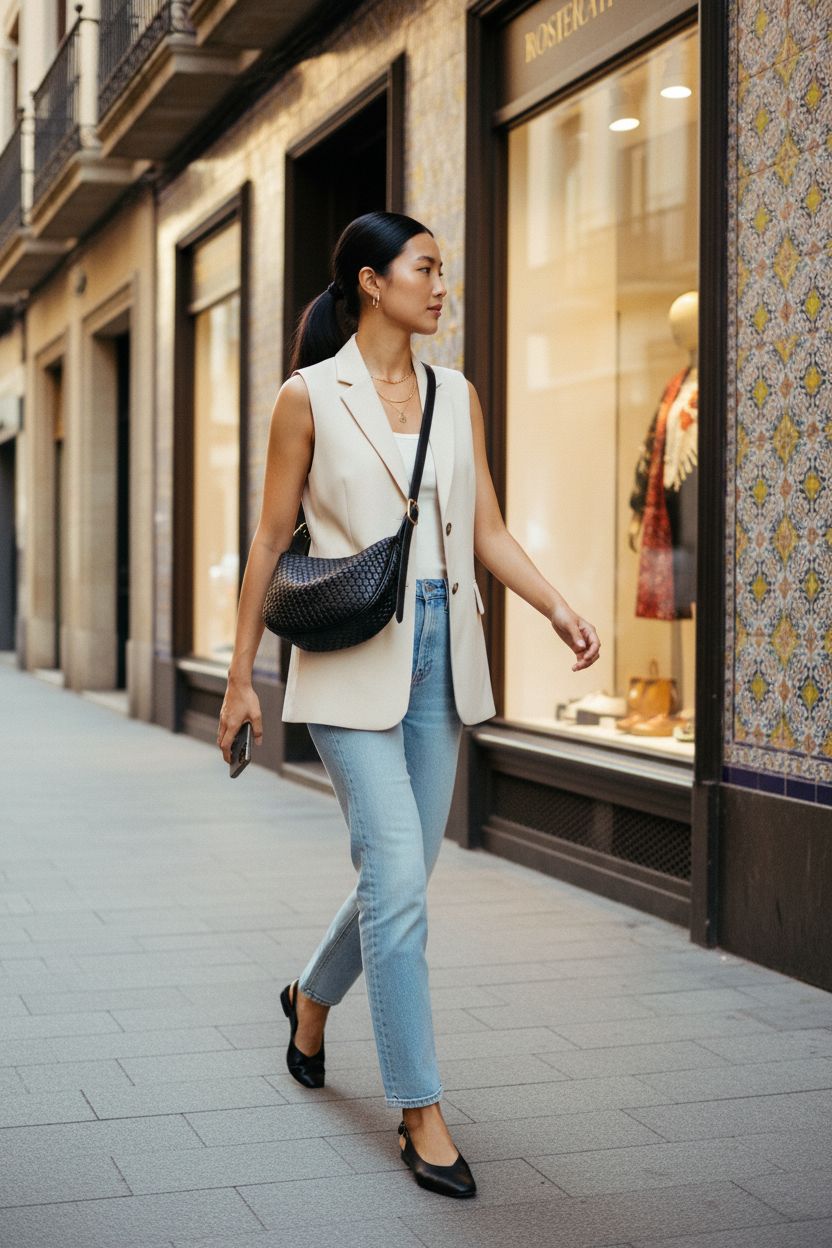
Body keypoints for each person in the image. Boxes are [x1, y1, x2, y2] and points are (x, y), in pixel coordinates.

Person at [217, 210, 600, 1198]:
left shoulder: (456, 395)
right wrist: (237, 682)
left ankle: (310, 996)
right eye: (425, 269)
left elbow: (487, 530)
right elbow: (268, 544)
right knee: (396, 879)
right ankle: (420, 1112)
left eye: (441, 271)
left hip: (440, 653)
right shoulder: (306, 398)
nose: (441, 286)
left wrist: (556, 605)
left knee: (403, 877)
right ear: (371, 283)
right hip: (350, 662)